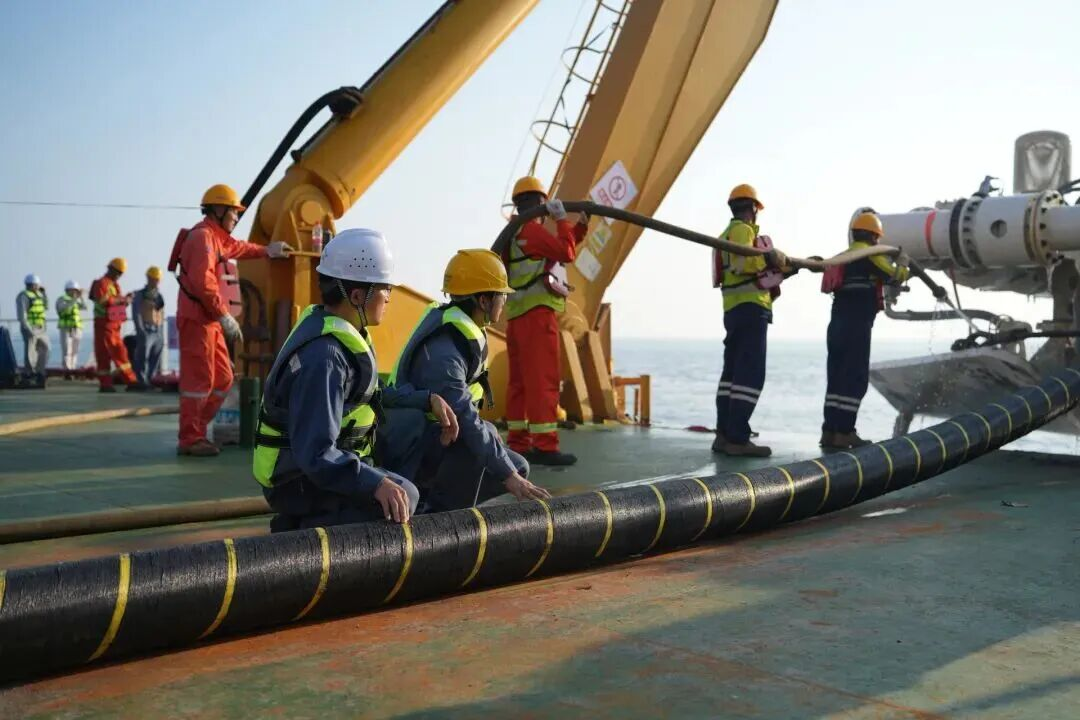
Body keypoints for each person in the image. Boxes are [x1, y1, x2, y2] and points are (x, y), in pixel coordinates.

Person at [252, 228, 453, 531]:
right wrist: (375, 484)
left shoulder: (344, 331)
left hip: (323, 464)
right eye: (385, 288)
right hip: (297, 481)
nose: (389, 297)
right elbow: (316, 454)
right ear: (357, 296)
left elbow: (372, 394)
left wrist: (426, 401)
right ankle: (302, 528)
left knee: (418, 425)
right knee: (406, 495)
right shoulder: (325, 358)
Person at [381, 249, 551, 512]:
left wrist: (507, 468)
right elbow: (465, 418)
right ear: (483, 301)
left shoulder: (461, 333)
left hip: (435, 438)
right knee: (483, 451)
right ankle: (436, 514)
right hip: (411, 448)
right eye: (502, 295)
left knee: (517, 466)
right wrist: (507, 475)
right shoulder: (444, 353)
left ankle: (441, 504)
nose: (505, 301)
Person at [172, 183, 290, 456]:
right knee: (199, 382)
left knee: (224, 378)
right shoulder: (202, 238)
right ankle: (190, 438)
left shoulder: (216, 238)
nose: (236, 217)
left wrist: (267, 250)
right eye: (234, 212)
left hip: (209, 320)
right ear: (218, 210)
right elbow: (203, 283)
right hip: (197, 320)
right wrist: (224, 314)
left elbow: (239, 248)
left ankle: (197, 430)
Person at [502, 176, 588, 466]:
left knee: (519, 384)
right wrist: (561, 219)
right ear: (541, 202)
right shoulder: (531, 231)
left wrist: (580, 227)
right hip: (537, 316)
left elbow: (559, 248)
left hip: (516, 318)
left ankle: (518, 443)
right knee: (543, 381)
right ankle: (545, 446)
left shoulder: (515, 233)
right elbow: (565, 252)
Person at [820, 211, 910, 450]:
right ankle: (844, 433)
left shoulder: (841, 257)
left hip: (836, 326)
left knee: (837, 377)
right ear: (873, 237)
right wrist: (903, 263)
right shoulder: (870, 255)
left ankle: (830, 431)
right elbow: (894, 276)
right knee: (854, 378)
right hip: (856, 326)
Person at [713, 184, 789, 457]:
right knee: (750, 375)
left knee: (732, 375)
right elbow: (744, 264)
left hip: (734, 310)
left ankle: (723, 435)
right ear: (754, 209)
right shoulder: (743, 230)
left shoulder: (725, 234)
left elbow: (740, 270)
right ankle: (738, 438)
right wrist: (770, 259)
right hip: (751, 309)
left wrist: (783, 268)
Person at [89, 259, 136, 393]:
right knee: (106, 354)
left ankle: (129, 381)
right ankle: (108, 384)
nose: (119, 276)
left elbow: (116, 302)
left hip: (114, 325)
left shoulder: (114, 285)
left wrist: (126, 300)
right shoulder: (101, 283)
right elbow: (103, 301)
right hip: (104, 325)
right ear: (111, 269)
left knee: (120, 351)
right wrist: (123, 299)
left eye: (121, 273)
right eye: (118, 272)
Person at [130, 266, 166, 391]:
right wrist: (141, 330)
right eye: (154, 279)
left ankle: (151, 381)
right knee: (142, 357)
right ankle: (141, 381)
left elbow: (161, 313)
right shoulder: (140, 295)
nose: (156, 281)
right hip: (146, 329)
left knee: (155, 358)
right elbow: (136, 313)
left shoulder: (159, 296)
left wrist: (161, 332)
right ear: (149, 278)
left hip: (158, 330)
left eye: (158, 279)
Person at [15, 274, 49, 387]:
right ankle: (30, 373)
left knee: (45, 348)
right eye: (36, 285)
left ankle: (40, 371)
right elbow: (22, 315)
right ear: (31, 285)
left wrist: (44, 294)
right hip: (31, 327)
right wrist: (28, 329)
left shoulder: (39, 295)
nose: (37, 287)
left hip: (41, 327)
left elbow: (46, 307)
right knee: (31, 352)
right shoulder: (23, 296)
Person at [56, 280, 87, 379]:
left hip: (76, 329)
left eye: (76, 290)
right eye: (72, 290)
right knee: (67, 351)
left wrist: (81, 297)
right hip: (66, 329)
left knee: (75, 351)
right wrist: (74, 299)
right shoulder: (61, 300)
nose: (74, 292)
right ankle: (67, 371)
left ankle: (73, 370)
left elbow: (84, 307)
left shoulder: (76, 300)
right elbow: (63, 310)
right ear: (67, 290)